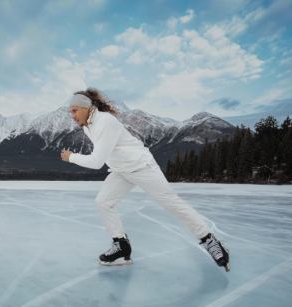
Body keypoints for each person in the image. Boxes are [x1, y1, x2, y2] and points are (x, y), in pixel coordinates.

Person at [60, 88, 230, 271]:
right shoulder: (88, 125)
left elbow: (96, 162)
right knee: (103, 202)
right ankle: (121, 245)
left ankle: (209, 240)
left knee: (170, 203)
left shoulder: (105, 121)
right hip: (121, 170)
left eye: (74, 110)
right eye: (70, 111)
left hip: (142, 167)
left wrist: (71, 157)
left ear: (87, 107)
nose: (72, 115)